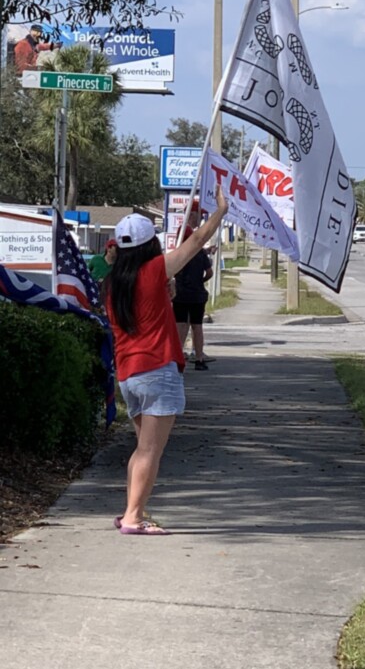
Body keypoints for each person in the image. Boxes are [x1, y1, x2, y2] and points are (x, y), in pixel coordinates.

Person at [104, 189, 228, 536]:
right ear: (149, 246)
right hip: (157, 370)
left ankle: (132, 510)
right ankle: (133, 517)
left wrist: (167, 290)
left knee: (142, 449)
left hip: (129, 375)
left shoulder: (112, 283)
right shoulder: (154, 270)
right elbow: (199, 239)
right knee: (150, 452)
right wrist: (220, 211)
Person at [173, 226, 214, 371]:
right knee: (197, 326)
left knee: (181, 326)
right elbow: (209, 272)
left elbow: (170, 272)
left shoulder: (177, 253)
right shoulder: (200, 253)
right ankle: (199, 359)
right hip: (197, 294)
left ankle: (178, 359)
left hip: (180, 295)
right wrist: (200, 281)